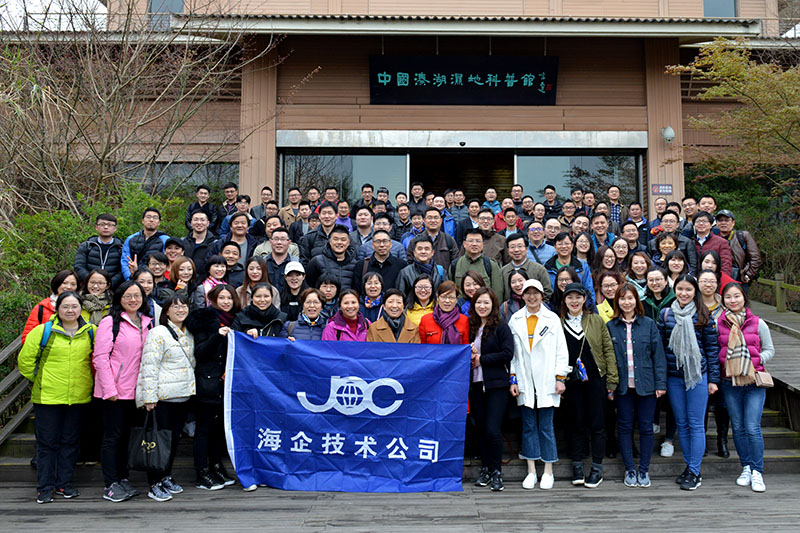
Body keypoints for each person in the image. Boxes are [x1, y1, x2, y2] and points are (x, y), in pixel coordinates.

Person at [18, 291, 96, 504]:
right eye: (65, 306)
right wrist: (41, 379)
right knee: (47, 444)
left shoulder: (91, 331)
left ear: (81, 309)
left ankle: (65, 484)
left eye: (74, 306)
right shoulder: (43, 331)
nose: (70, 310)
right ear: (57, 308)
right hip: (48, 397)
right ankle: (45, 487)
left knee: (70, 442)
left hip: (78, 396)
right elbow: (25, 361)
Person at [92, 280, 153, 502]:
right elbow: (100, 357)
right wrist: (110, 389)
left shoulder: (148, 322)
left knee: (128, 437)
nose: (133, 300)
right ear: (119, 298)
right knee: (112, 437)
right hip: (114, 392)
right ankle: (110, 483)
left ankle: (123, 477)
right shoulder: (110, 322)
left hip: (137, 392)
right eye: (128, 295)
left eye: (137, 295)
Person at [658, 275, 720, 491]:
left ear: (695, 292)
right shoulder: (666, 314)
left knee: (695, 424)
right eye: (680, 289)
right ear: (674, 290)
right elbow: (660, 348)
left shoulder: (704, 315)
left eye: (688, 290)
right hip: (674, 376)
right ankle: (689, 466)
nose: (684, 293)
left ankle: (694, 471)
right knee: (682, 423)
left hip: (697, 377)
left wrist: (713, 380)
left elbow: (712, 349)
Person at [508, 279, 569, 490]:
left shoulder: (552, 319)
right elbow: (513, 355)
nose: (532, 297)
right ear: (522, 296)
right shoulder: (515, 319)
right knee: (528, 427)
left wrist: (560, 378)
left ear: (542, 296)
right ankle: (531, 470)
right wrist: (513, 378)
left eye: (536, 293)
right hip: (525, 379)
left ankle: (548, 470)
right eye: (528, 293)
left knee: (546, 427)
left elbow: (561, 351)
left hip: (547, 380)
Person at [135, 294, 195, 502]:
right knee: (158, 442)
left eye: (184, 306)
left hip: (182, 396)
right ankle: (154, 483)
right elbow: (149, 366)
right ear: (166, 311)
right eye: (175, 306)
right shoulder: (158, 332)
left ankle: (166, 476)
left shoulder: (188, 333)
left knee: (172, 441)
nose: (180, 310)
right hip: (162, 398)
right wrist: (149, 396)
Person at [607, 283, 667, 488]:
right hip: (623, 387)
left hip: (647, 385)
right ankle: (630, 469)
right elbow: (608, 359)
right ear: (617, 301)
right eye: (622, 298)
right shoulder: (611, 326)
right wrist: (610, 386)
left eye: (630, 298)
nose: (627, 302)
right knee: (624, 427)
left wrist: (660, 383)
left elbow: (658, 357)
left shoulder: (648, 324)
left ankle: (644, 470)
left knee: (646, 427)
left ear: (636, 300)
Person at [717, 282, 774, 493]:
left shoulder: (758, 323)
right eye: (728, 297)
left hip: (754, 382)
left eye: (737, 296)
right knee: (738, 427)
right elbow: (716, 350)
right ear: (723, 300)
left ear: (744, 298)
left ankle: (758, 471)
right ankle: (746, 467)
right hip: (729, 382)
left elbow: (769, 349)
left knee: (752, 427)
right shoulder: (719, 324)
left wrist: (754, 361)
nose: (733, 300)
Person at [559, 283, 618, 488]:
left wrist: (612, 380)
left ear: (585, 299)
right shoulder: (559, 323)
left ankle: (597, 468)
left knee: (598, 424)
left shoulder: (596, 320)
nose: (574, 301)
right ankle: (577, 466)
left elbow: (608, 349)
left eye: (578, 297)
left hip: (595, 379)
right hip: (571, 382)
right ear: (564, 300)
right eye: (570, 297)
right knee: (576, 423)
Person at [185, 284, 240, 492]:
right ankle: (201, 471)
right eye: (222, 298)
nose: (226, 302)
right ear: (213, 299)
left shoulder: (235, 320)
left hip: (225, 385)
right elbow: (200, 353)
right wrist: (217, 335)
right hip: (207, 383)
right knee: (203, 429)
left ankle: (216, 466)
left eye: (229, 298)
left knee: (218, 429)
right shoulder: (204, 320)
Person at [468, 287, 514, 492]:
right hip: (476, 386)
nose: (482, 306)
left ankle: (496, 472)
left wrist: (482, 360)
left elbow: (508, 353)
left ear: (493, 304)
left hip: (496, 386)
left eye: (486, 302)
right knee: (480, 429)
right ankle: (485, 468)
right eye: (478, 302)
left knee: (492, 429)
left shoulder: (501, 327)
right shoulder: (472, 326)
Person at [698, 269, 730, 459]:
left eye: (712, 281)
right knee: (701, 403)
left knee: (722, 404)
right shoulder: (693, 304)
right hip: (701, 360)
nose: (708, 284)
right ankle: (701, 441)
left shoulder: (725, 305)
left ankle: (722, 440)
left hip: (723, 360)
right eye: (704, 281)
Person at [22, 270, 79, 343]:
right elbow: (27, 337)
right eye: (64, 283)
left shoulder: (81, 308)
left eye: (73, 284)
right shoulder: (42, 308)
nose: (68, 287)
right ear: (57, 283)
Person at [544, 232, 596, 309]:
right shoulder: (547, 268)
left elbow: (589, 290)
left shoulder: (582, 266)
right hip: (554, 308)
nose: (564, 246)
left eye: (567, 243)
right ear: (554, 246)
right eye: (560, 244)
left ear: (572, 245)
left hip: (578, 308)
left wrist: (589, 309)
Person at [74, 214, 124, 289]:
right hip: (88, 288)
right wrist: (92, 282)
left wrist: (108, 284)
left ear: (115, 228)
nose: (106, 227)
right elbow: (79, 267)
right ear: (96, 227)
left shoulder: (121, 248)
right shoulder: (87, 246)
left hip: (113, 289)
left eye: (110, 225)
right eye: (102, 224)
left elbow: (122, 270)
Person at [715, 209, 762, 288]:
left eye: (726, 220)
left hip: (740, 278)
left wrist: (748, 275)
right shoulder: (714, 239)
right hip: (720, 278)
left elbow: (756, 258)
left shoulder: (742, 236)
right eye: (720, 220)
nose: (723, 223)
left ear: (733, 222)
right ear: (716, 223)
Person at [452, 228, 504, 298]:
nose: (474, 244)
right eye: (471, 241)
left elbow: (497, 293)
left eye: (478, 241)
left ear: (483, 244)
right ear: (464, 244)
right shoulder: (455, 264)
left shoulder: (491, 265)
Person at [121, 208, 170, 280]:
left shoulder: (165, 240)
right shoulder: (131, 239)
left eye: (155, 218)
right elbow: (125, 261)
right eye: (148, 217)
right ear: (143, 221)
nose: (151, 220)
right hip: (134, 279)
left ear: (159, 222)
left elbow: (167, 262)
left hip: (156, 279)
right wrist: (131, 278)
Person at [305, 225, 358, 291]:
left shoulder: (355, 264)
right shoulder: (317, 261)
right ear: (330, 241)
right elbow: (309, 286)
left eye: (343, 240)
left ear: (348, 243)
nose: (339, 242)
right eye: (335, 239)